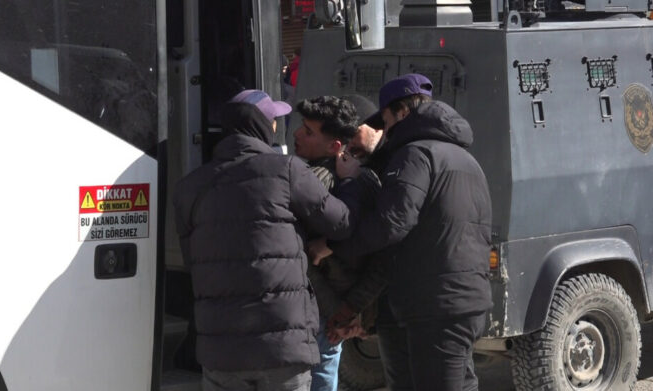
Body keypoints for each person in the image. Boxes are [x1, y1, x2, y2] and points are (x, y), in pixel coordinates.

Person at [311, 74, 493, 391]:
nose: (383, 129)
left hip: (434, 305)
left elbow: (392, 222)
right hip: (465, 300)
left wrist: (332, 246)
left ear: (402, 113)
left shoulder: (415, 155)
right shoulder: (463, 157)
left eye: (384, 120)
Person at [173, 89, 355, 391]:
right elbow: (342, 223)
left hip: (221, 350)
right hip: (283, 347)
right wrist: (348, 180)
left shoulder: (189, 188)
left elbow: (192, 261)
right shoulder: (285, 169)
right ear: (262, 125)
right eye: (274, 121)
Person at [294, 95, 388, 391]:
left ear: (335, 145)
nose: (297, 135)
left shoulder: (312, 184)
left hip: (319, 314)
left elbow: (301, 261)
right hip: (338, 314)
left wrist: (340, 313)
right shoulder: (369, 180)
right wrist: (353, 311)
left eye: (308, 132)